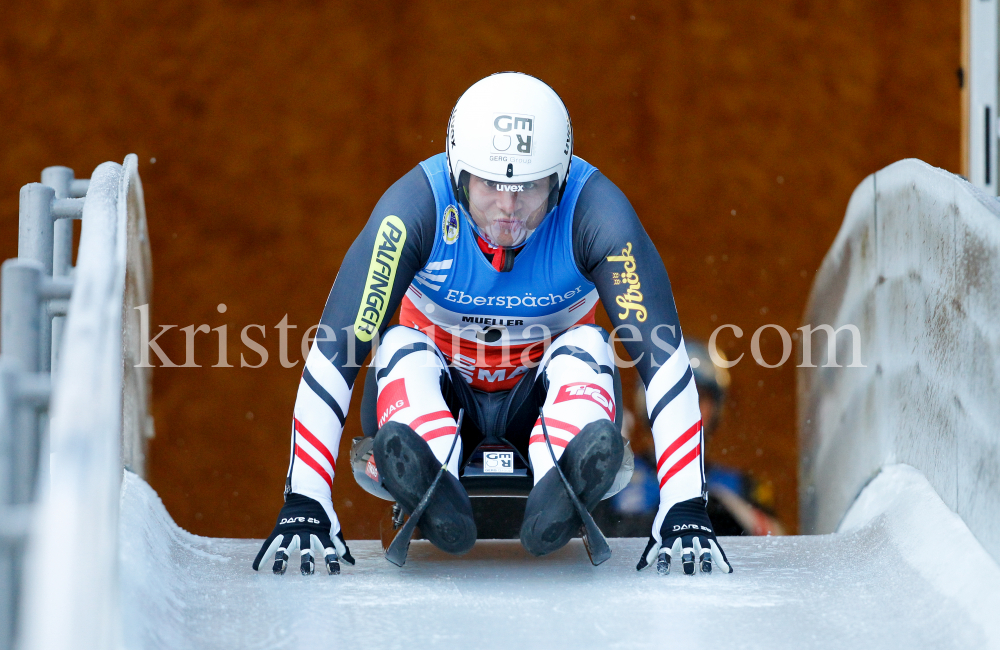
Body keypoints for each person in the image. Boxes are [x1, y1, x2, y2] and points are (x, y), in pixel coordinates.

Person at [252, 72, 732, 577]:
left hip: (541, 398)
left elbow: (663, 357)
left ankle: (559, 475)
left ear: (561, 178)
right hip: (441, 388)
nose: (507, 207)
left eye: (528, 187)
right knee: (397, 345)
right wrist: (305, 497)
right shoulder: (413, 210)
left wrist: (683, 507)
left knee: (590, 344)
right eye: (489, 185)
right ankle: (434, 473)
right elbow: (337, 349)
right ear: (457, 173)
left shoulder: (597, 214)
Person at [596, 340, 785, 537]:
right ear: (646, 403)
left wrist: (725, 512)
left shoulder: (740, 487)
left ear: (716, 409)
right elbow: (588, 549)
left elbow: (776, 546)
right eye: (672, 395)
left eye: (698, 397)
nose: (686, 407)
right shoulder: (615, 478)